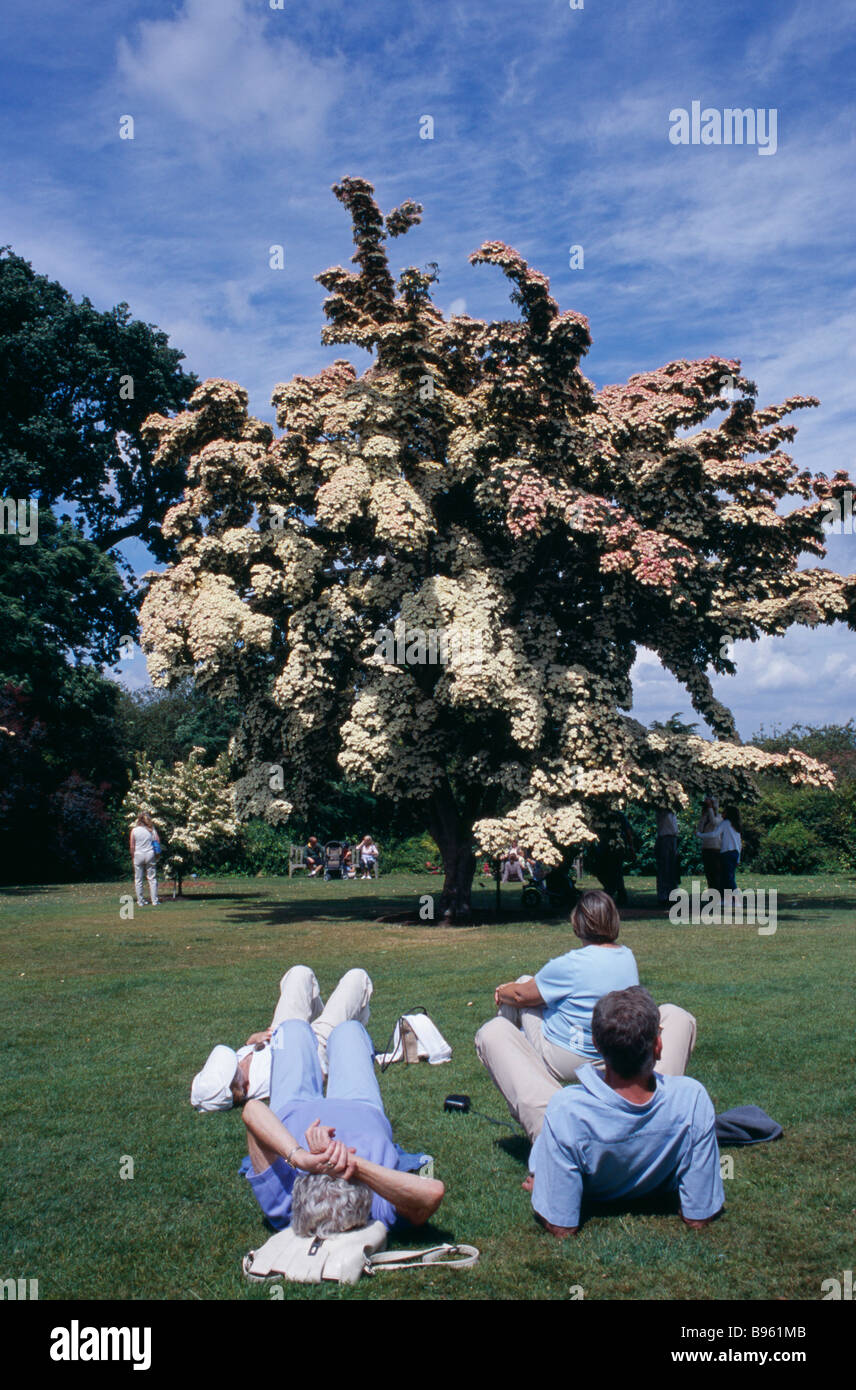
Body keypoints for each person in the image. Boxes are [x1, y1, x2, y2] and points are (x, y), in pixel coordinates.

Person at [475, 890, 696, 1143]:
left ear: (577, 923)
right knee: (674, 1014)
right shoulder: (626, 956)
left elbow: (522, 997)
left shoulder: (570, 964)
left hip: (567, 1056)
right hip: (613, 1053)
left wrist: (501, 991)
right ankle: (656, 1111)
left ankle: (523, 1074)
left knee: (522, 986)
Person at [531, 986, 724, 1237]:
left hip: (589, 1178)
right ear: (658, 1046)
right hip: (658, 1177)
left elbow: (561, 1225)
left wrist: (546, 1184)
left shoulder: (567, 1109)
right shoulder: (691, 1097)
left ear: (597, 1046)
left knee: (495, 1035)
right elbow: (699, 1215)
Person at [241, 1017, 445, 1236]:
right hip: (360, 1105)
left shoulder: (283, 1206)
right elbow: (432, 1192)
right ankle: (324, 1048)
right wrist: (349, 1163)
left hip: (293, 1106)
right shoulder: (375, 1209)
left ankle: (315, 1053)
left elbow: (252, 1109)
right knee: (349, 1029)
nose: (331, 1171)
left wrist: (300, 1157)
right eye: (342, 1178)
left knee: (290, 1029)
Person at [190, 965, 373, 1111]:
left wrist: (254, 1039)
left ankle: (338, 1024)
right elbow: (310, 1074)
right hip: (314, 1044)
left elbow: (253, 1045)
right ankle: (347, 1036)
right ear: (238, 1085)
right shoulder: (264, 1083)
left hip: (281, 1031)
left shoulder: (238, 1065)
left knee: (299, 973)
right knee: (357, 978)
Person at [130, 813, 159, 908]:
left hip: (138, 854)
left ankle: (140, 901)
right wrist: (157, 855)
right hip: (150, 854)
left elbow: (132, 846)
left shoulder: (134, 830)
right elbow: (157, 842)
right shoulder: (151, 830)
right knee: (152, 878)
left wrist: (132, 856)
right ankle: (154, 900)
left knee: (138, 879)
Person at [655, 807, 680, 906]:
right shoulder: (662, 811)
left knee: (673, 868)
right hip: (664, 838)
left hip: (672, 839)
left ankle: (672, 893)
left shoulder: (671, 811)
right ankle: (663, 895)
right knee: (664, 868)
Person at [696, 796, 723, 891]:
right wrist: (704, 816)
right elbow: (699, 830)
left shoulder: (719, 817)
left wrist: (711, 808)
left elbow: (714, 822)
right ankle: (712, 893)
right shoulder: (705, 816)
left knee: (716, 873)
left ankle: (719, 894)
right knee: (709, 874)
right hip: (706, 848)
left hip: (716, 848)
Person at [718, 806, 742, 899]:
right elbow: (739, 844)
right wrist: (738, 858)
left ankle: (735, 896)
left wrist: (700, 834)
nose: (721, 814)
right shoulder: (736, 825)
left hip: (726, 853)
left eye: (723, 812)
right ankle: (726, 898)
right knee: (729, 876)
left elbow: (715, 834)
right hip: (735, 853)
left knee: (727, 877)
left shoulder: (725, 824)